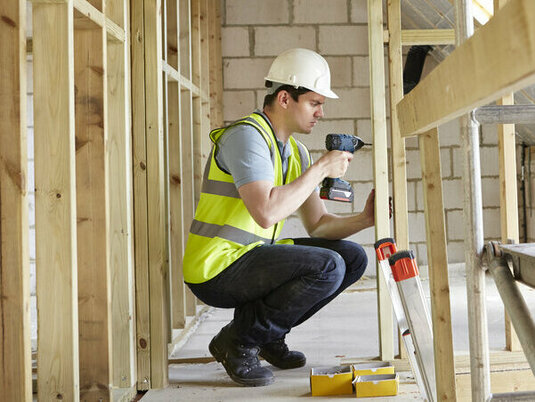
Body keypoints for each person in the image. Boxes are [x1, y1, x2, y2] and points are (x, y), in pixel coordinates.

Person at [182, 48, 384, 387]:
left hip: (249, 259)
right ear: (286, 98)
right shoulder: (247, 137)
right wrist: (321, 168)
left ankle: (266, 336)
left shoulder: (295, 152)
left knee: (350, 258)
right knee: (327, 266)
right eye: (315, 103)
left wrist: (365, 218)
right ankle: (241, 341)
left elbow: (319, 225)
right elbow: (266, 212)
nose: (321, 112)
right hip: (215, 268)